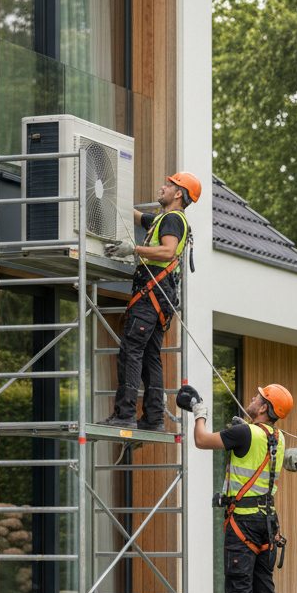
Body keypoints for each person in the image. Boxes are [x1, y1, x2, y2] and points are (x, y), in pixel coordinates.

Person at [183, 382, 294, 593]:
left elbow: (202, 440)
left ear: (266, 408)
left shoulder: (245, 432)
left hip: (243, 522)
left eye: (259, 397)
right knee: (264, 592)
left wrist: (199, 411)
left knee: (238, 590)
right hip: (268, 523)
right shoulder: (278, 438)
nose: (253, 398)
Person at [98, 171, 201, 430]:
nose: (162, 187)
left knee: (131, 351)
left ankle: (124, 414)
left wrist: (133, 249)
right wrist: (110, 200)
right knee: (149, 356)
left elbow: (167, 251)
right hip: (160, 294)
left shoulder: (172, 221)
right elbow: (137, 216)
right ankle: (154, 418)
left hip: (152, 292)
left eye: (168, 185)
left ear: (178, 193)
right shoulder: (163, 220)